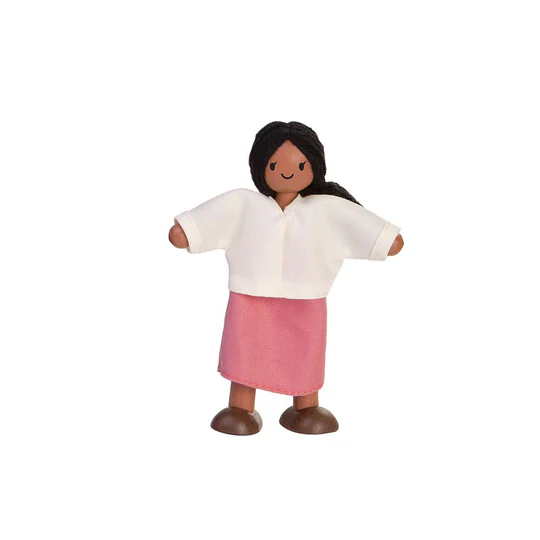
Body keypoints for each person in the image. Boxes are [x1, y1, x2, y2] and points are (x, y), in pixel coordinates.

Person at [169, 121, 404, 435]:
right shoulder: (244, 203)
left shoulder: (326, 208)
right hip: (250, 297)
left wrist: (385, 239)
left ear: (315, 167)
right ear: (260, 166)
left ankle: (305, 408)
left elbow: (371, 231)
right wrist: (186, 232)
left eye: (301, 165)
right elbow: (201, 224)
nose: (288, 172)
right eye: (275, 165)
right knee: (247, 351)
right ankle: (241, 408)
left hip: (306, 301)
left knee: (302, 353)